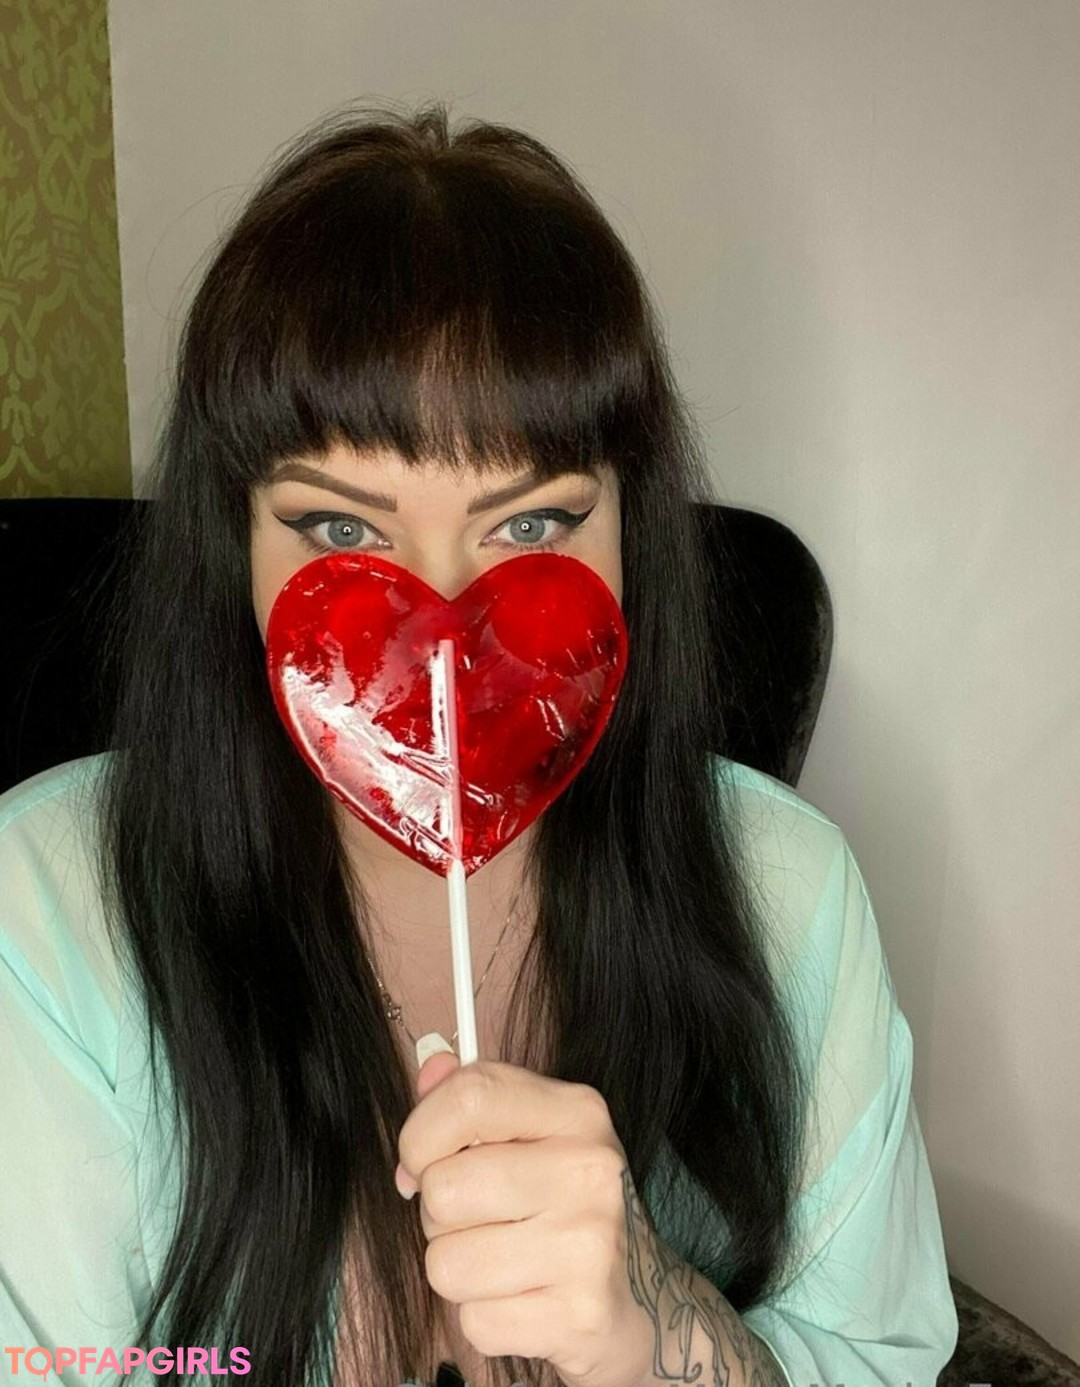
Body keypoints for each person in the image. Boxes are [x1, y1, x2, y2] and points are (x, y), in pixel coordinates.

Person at [0, 103, 958, 1387]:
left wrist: (649, 1326)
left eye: (531, 525)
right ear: (233, 547)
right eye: (340, 531)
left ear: (632, 533)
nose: (442, 634)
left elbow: (881, 1357)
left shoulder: (792, 890)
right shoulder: (43, 908)